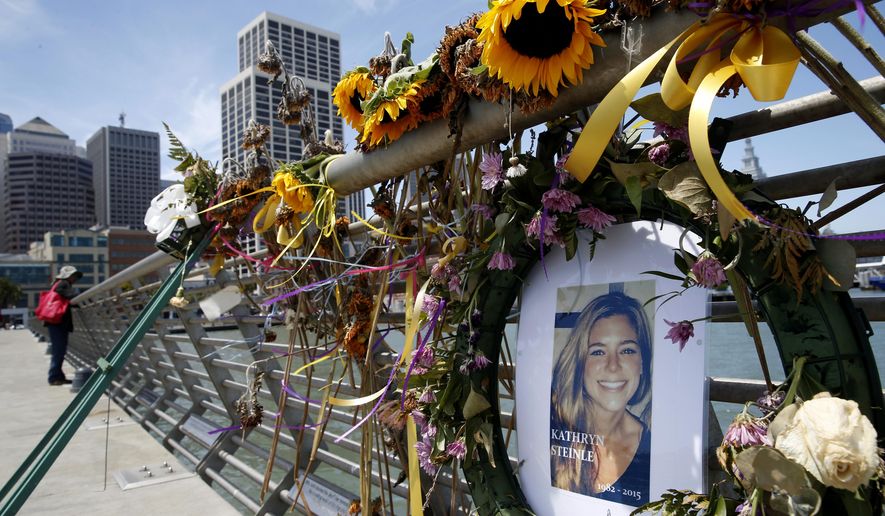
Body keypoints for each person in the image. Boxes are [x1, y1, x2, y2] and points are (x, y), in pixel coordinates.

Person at [550, 291, 652, 506]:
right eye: (597, 352)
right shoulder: (553, 426)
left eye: (627, 350)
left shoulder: (654, 446)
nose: (613, 365)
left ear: (642, 362)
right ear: (580, 363)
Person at [46, 265, 81, 386]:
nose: (75, 278)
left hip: (55, 321)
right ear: (68, 276)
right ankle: (54, 377)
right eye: (73, 275)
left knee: (60, 349)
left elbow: (63, 300)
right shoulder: (63, 284)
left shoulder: (58, 283)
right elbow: (67, 295)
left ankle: (59, 376)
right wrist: (78, 299)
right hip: (58, 322)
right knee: (59, 350)